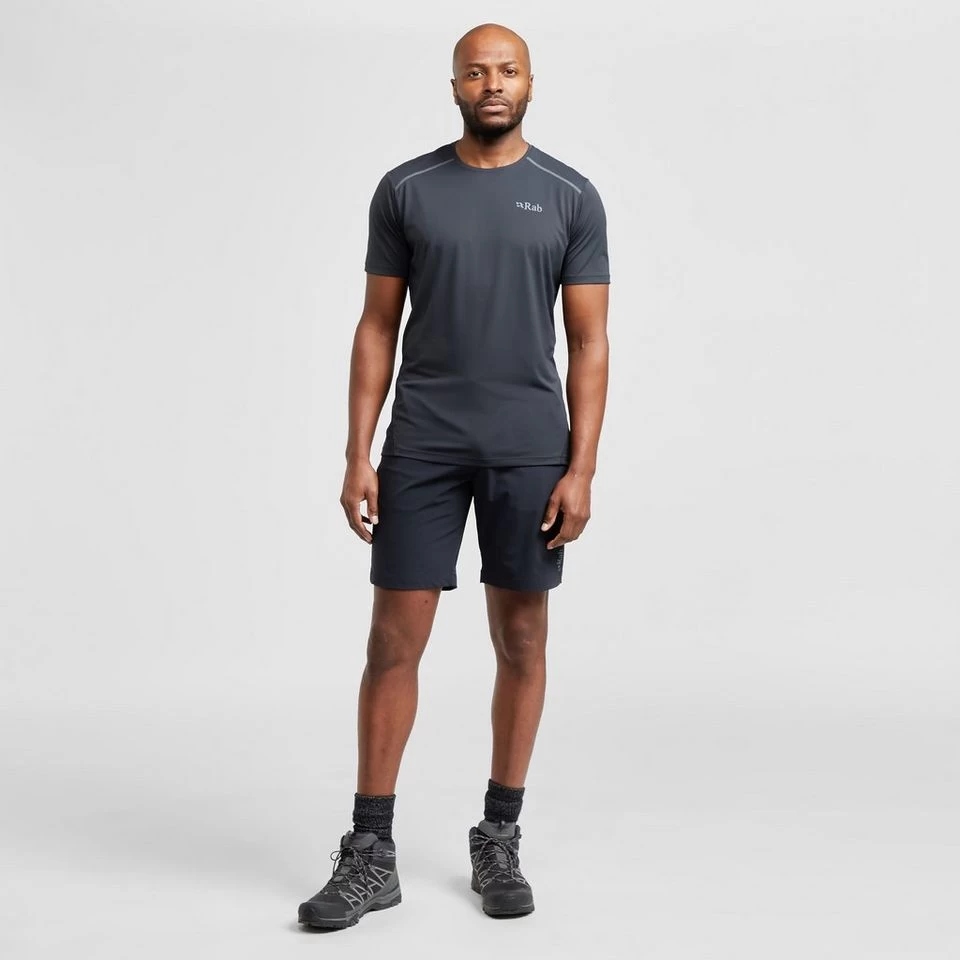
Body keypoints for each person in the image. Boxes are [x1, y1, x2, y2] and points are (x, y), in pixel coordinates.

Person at [298, 21, 610, 929]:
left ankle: (499, 837)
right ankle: (371, 853)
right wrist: (357, 452)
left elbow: (589, 342)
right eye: (477, 72)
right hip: (423, 449)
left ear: (531, 84)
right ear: (455, 87)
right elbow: (376, 326)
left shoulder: (571, 196)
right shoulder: (407, 189)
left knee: (523, 642)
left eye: (508, 70)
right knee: (392, 644)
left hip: (529, 450)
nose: (493, 84)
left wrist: (582, 468)